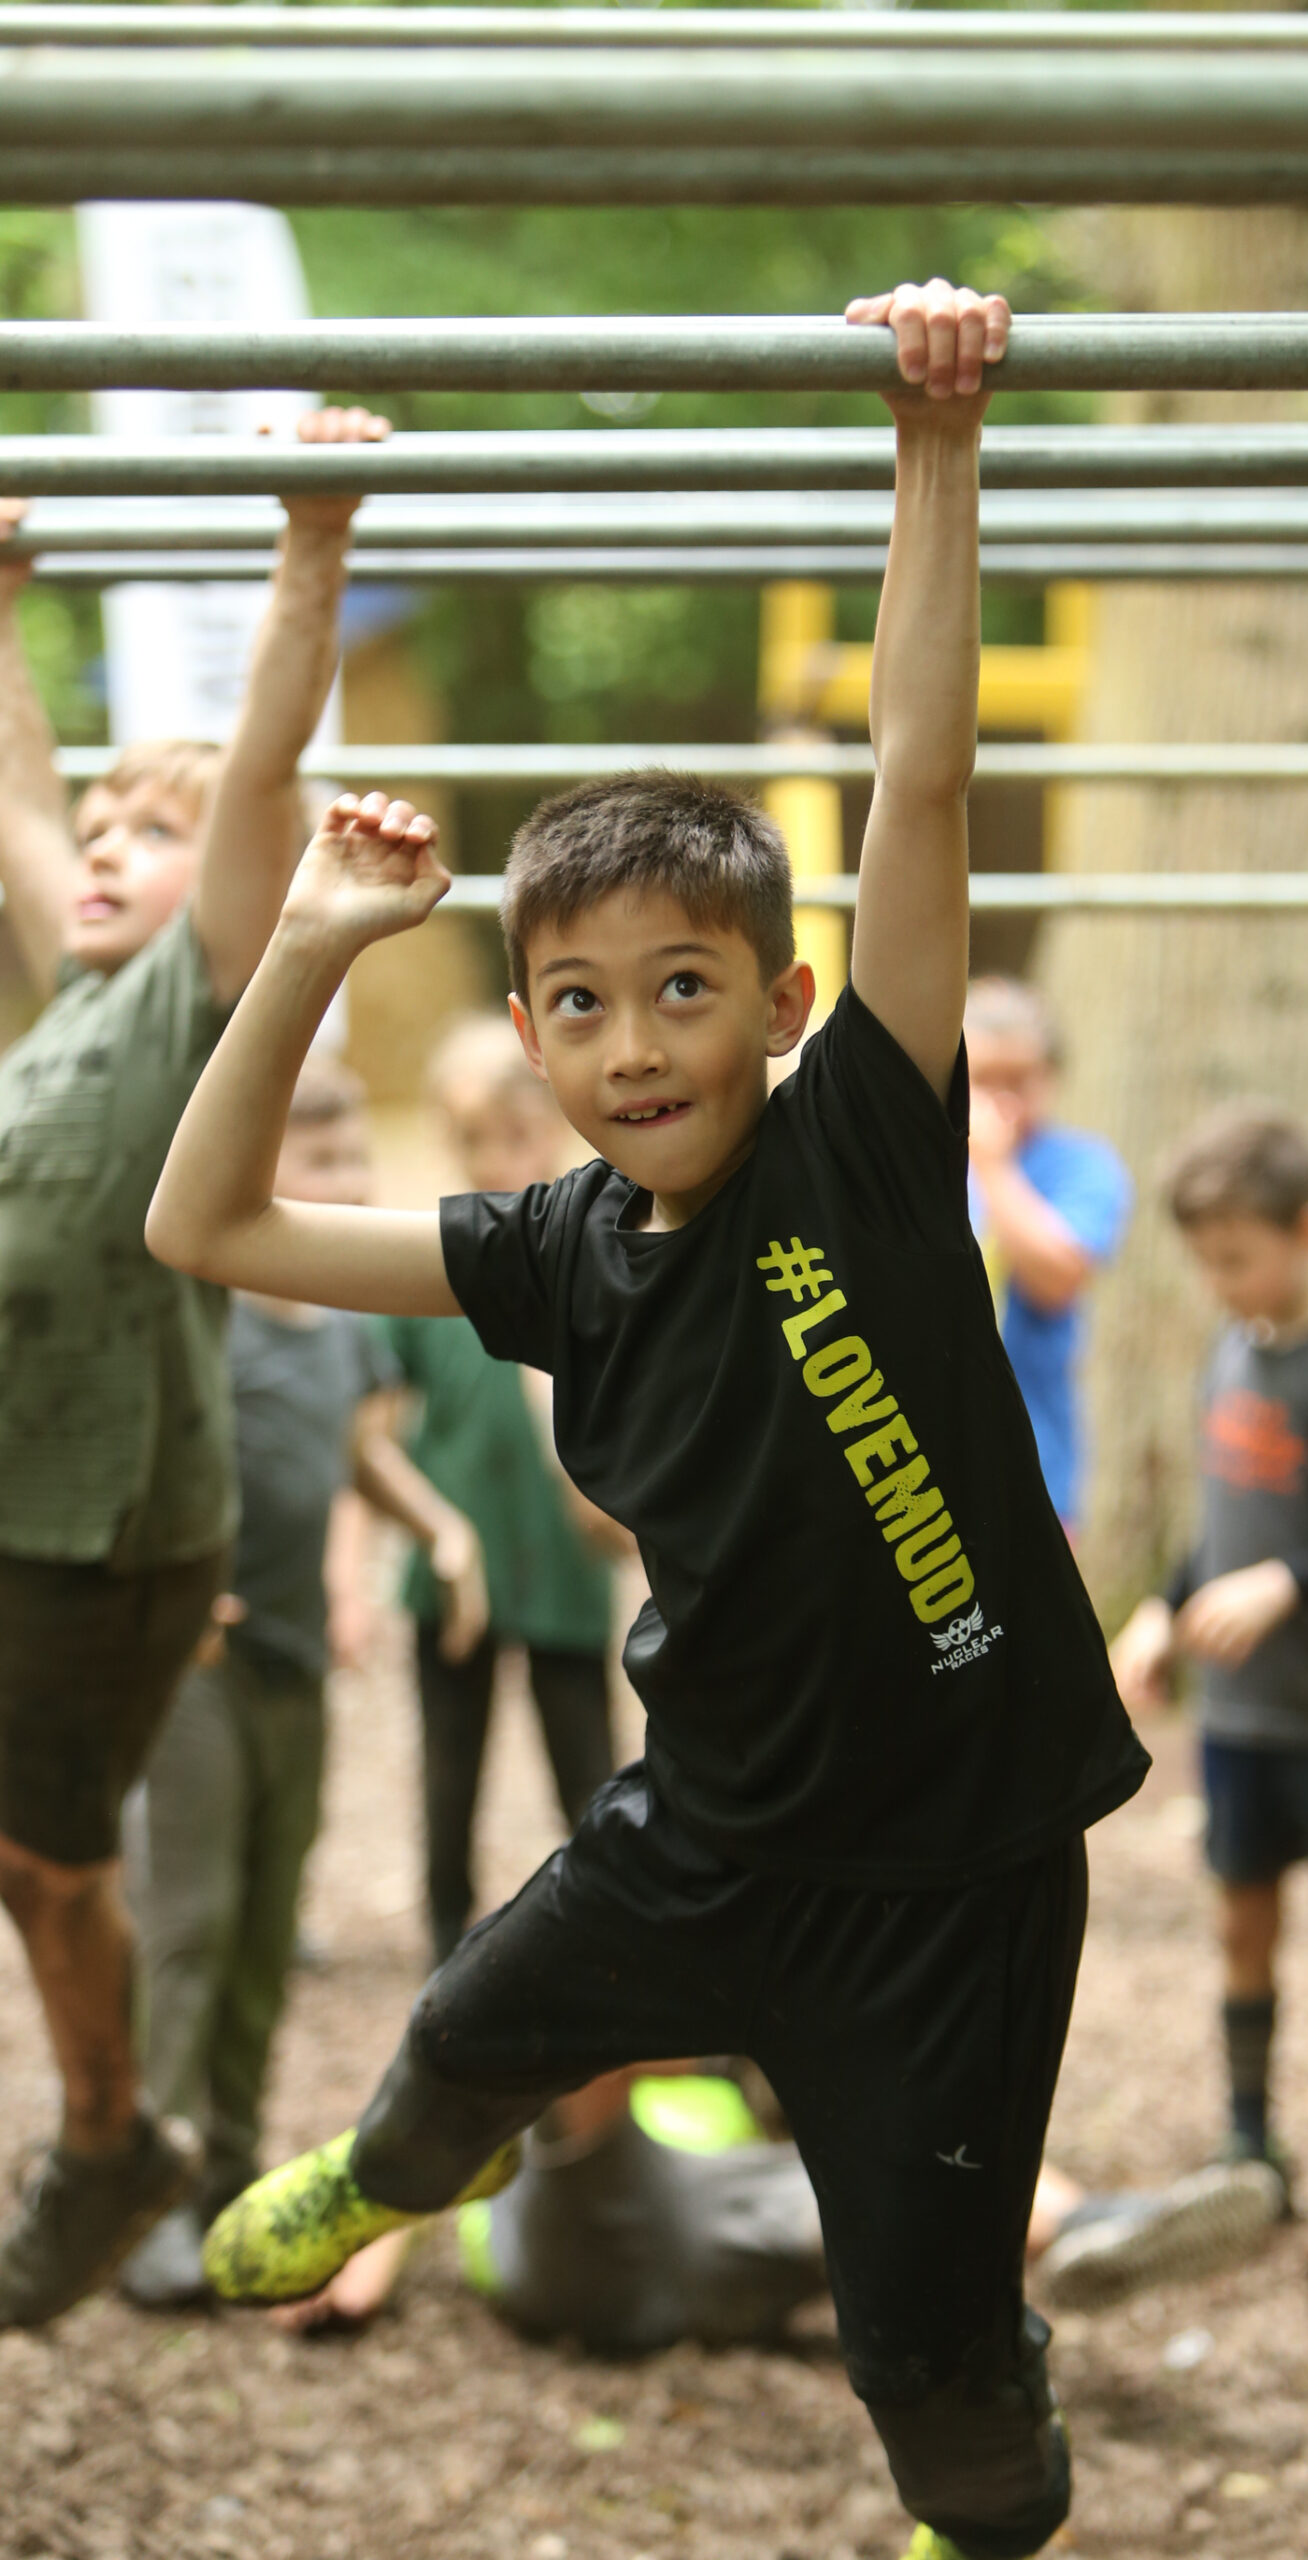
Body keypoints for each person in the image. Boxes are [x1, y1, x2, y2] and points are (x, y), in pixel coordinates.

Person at [146, 279, 1150, 2560]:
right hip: (699, 1829)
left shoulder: (862, 1135)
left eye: (682, 989)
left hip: (959, 1871)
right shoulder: (550, 1244)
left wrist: (932, 439)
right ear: (530, 1030)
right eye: (580, 1002)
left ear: (781, 1001)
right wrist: (310, 940)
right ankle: (391, 2179)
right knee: (446, 2058)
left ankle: (990, 2448)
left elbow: (918, 774)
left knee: (934, 2389)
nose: (630, 1044)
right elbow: (207, 1224)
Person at [0, 409, 389, 2327]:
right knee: (38, 1858)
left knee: (49, 1860)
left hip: (106, 1530)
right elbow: (21, 798)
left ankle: (110, 2140)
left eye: (143, 839)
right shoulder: (67, 1009)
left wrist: (310, 538)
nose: (100, 852)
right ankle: (106, 2138)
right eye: (97, 835)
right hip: (27, 1503)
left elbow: (256, 779)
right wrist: (2, 602)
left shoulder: (193, 996)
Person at [117, 1055, 489, 2309]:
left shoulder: (342, 1330)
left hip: (292, 1669)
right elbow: (140, 1459)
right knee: (192, 1921)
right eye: (321, 1163)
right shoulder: (205, 1316)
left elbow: (354, 1456)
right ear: (265, 1174)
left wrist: (439, 1527)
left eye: (356, 1159)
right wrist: (169, 1589)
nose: (350, 1181)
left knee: (269, 1924)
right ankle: (144, 2191)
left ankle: (225, 2164)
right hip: (198, 1670)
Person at [1109, 1105, 1308, 2263]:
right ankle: (1248, 2146)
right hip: (1238, 1717)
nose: (1220, 1282)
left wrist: (1284, 1585)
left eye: (1236, 1258)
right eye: (1204, 1261)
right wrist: (1163, 1609)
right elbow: (1219, 1525)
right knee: (1239, 1921)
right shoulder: (1230, 1351)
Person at [272, 2069, 1285, 2346]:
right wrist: (359, 2262)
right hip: (593, 2215)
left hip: (701, 2229)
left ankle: (1087, 2230)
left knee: (883, 2167)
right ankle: (1075, 2224)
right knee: (561, 2051)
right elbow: (409, 2155)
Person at [385, 1012, 617, 1969]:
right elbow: (377, 1425)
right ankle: (447, 1941)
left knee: (588, 1768)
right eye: (474, 1139)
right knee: (450, 1765)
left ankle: (613, 1931)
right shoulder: (427, 1268)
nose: (497, 1160)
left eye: (516, 1135)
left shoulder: (595, 1260)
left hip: (562, 1561)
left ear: (551, 1126)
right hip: (456, 1566)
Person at [963, 976, 1130, 1533]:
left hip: (1033, 1469)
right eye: (983, 1079)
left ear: (1051, 1076)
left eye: (1020, 1080)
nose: (1002, 1101)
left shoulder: (1083, 1165)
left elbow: (1057, 1278)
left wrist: (992, 1166)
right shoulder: (916, 1162)